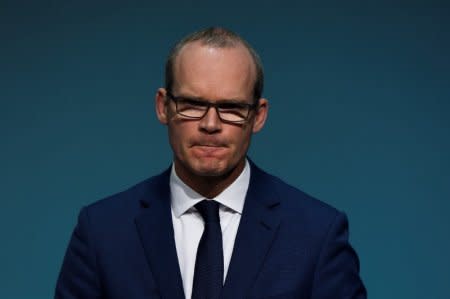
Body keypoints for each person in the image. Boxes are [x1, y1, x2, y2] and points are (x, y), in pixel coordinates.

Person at [55, 27, 367, 299]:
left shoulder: (317, 234)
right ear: (163, 107)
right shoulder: (102, 231)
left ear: (258, 116)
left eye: (231, 107)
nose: (210, 124)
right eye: (192, 104)